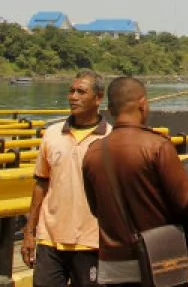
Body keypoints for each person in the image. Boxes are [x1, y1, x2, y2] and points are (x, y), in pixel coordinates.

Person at [82, 77, 188, 287]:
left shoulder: (93, 152)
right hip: (159, 262)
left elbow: (96, 209)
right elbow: (186, 202)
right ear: (142, 103)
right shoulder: (157, 146)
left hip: (113, 265)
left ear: (110, 109)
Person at [23, 70, 110, 287]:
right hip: (50, 239)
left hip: (91, 242)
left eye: (81, 91)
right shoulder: (52, 134)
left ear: (98, 97)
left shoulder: (111, 138)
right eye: (71, 91)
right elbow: (41, 184)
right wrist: (29, 232)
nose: (73, 97)